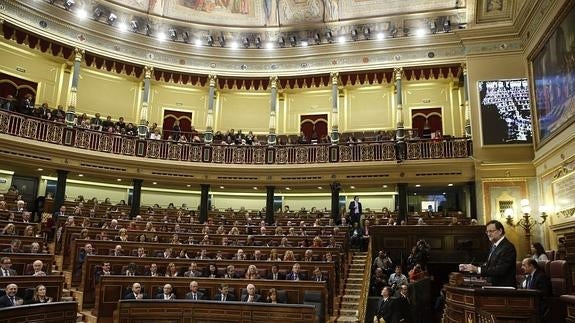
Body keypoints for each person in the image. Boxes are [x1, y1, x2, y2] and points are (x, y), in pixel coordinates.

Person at [459, 220, 517, 287]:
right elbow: (490, 266)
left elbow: (500, 270)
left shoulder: (508, 247)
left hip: (504, 289)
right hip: (492, 286)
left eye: (491, 231)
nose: (488, 234)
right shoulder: (494, 246)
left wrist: (477, 269)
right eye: (487, 232)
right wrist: (470, 268)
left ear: (500, 231)